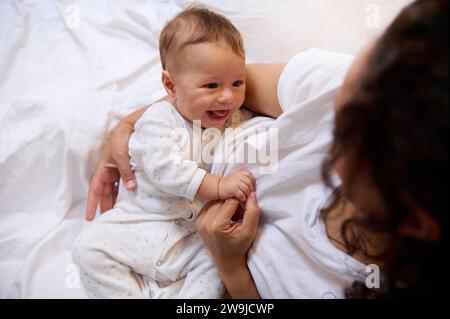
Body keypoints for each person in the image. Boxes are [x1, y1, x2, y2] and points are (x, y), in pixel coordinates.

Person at [84, 0, 448, 298]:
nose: (333, 109)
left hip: (207, 259)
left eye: (346, 133)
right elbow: (212, 86)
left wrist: (231, 268)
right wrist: (131, 125)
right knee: (91, 251)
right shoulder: (339, 82)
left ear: (414, 218)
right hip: (170, 223)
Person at [72, 7, 256, 299]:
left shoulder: (235, 120)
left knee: (214, 265)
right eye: (211, 85)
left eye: (237, 83)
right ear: (171, 85)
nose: (227, 96)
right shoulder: (158, 119)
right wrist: (218, 186)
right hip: (141, 223)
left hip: (192, 236)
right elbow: (165, 169)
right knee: (88, 248)